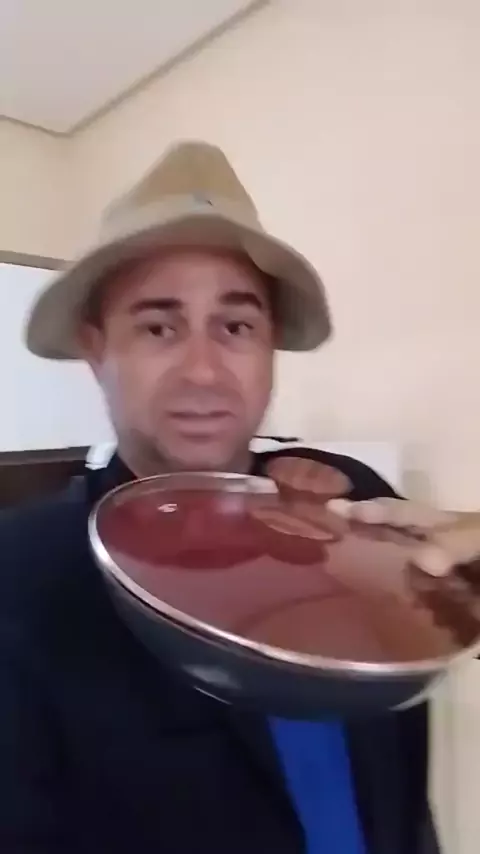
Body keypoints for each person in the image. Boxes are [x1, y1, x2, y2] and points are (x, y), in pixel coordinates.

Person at [1, 140, 479, 854]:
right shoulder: (21, 576)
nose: (203, 371)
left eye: (236, 327)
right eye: (159, 327)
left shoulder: (354, 505)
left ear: (270, 346)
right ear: (97, 350)